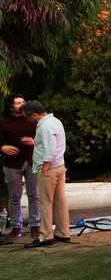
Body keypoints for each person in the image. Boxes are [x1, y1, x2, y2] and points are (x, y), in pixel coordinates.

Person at [22, 101, 71, 248]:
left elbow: (50, 149)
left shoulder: (45, 126)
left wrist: (45, 166)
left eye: (28, 117)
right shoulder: (55, 121)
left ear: (35, 114)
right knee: (59, 201)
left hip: (49, 169)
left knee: (45, 203)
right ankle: (63, 233)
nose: (29, 120)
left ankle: (45, 236)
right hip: (60, 166)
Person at [1, 94, 40, 239]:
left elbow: (43, 138)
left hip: (31, 161)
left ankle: (35, 226)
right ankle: (16, 228)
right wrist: (3, 147)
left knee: (34, 195)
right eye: (18, 103)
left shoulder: (32, 120)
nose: (22, 105)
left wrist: (35, 141)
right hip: (12, 164)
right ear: (12, 107)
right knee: (14, 197)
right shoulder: (4, 123)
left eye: (23, 102)